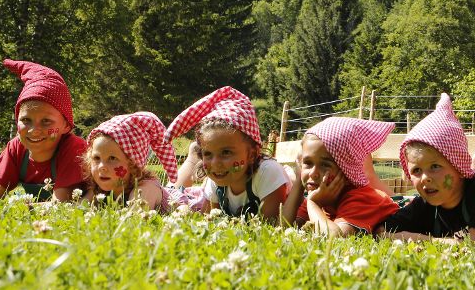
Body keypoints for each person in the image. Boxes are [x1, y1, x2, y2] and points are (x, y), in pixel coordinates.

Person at [376, 94, 475, 247]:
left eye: (435, 167)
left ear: (458, 165)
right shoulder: (424, 203)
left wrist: (416, 238)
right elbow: (383, 231)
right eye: (416, 170)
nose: (425, 178)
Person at [165, 87, 288, 222]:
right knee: (175, 197)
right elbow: (209, 221)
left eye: (226, 152)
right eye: (208, 154)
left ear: (252, 154)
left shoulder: (267, 173)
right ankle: (193, 155)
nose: (215, 163)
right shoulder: (216, 180)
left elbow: (270, 226)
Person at [0, 59, 86, 201]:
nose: (34, 130)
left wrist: (17, 208)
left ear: (66, 125)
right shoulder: (16, 148)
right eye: (26, 120)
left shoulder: (74, 148)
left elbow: (60, 204)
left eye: (46, 121)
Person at [281, 117, 399, 236]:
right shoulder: (320, 194)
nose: (312, 173)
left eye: (325, 165)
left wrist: (313, 204)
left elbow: (335, 238)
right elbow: (284, 226)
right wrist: (298, 184)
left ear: (347, 171)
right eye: (307, 163)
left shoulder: (361, 199)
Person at [82, 111, 186, 212]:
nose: (102, 166)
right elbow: (79, 208)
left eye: (112, 158)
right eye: (96, 158)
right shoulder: (100, 188)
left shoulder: (145, 189)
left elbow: (133, 220)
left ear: (134, 163)